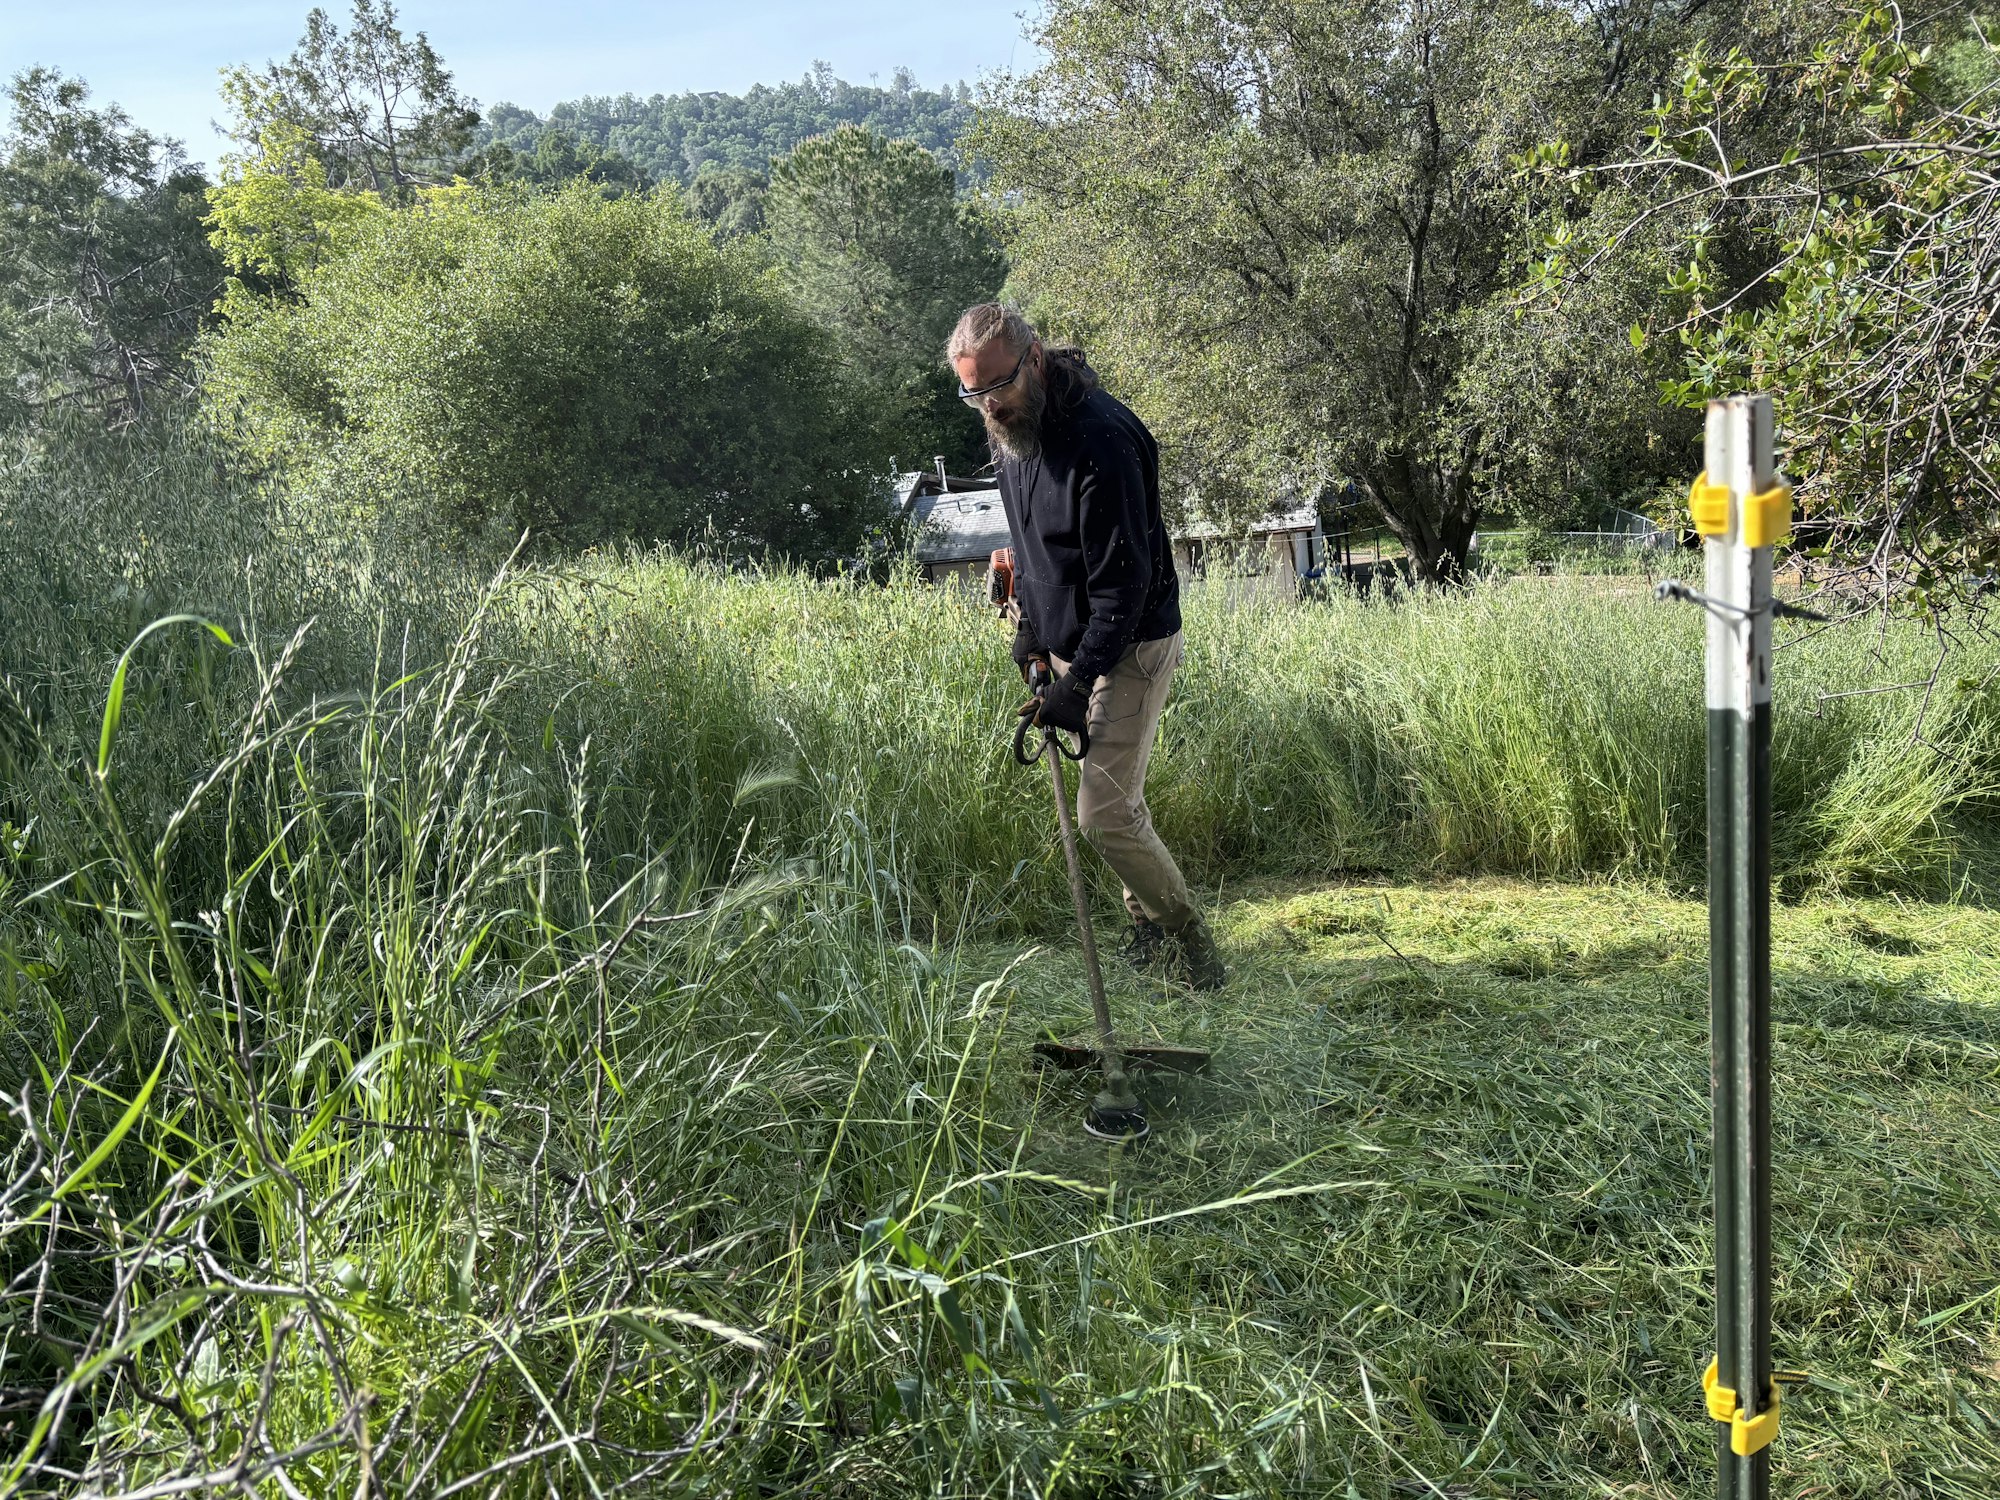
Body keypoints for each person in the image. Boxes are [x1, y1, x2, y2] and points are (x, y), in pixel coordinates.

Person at [946, 302, 1225, 990]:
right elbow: (1032, 543)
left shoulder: (1103, 441)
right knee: (1119, 804)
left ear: (1033, 360)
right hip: (1073, 642)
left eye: (998, 388)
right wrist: (1032, 634)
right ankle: (1149, 927)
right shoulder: (1011, 432)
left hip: (1132, 644)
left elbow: (1122, 593)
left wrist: (1077, 686)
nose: (989, 407)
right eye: (972, 393)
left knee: (1103, 816)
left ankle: (1191, 944)